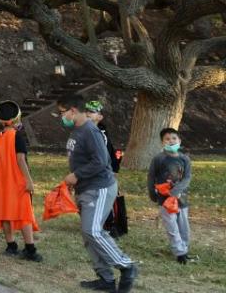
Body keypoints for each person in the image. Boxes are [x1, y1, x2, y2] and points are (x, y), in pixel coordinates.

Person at [56, 94, 137, 293]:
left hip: (99, 187)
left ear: (73, 110)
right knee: (88, 234)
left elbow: (101, 162)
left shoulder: (91, 131)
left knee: (92, 231)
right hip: (85, 188)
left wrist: (76, 175)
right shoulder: (78, 130)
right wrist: (75, 181)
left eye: (62, 112)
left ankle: (127, 266)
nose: (61, 117)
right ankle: (106, 279)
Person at [0, 101, 41, 262]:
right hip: (17, 181)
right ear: (16, 118)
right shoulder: (17, 136)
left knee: (5, 213)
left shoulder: (0, 137)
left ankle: (11, 245)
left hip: (2, 183)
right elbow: (20, 160)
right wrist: (29, 180)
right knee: (24, 214)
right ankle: (30, 249)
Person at [147, 127, 196, 264]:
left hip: (182, 199)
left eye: (174, 138)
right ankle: (180, 253)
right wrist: (152, 193)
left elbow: (187, 178)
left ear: (179, 141)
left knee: (183, 226)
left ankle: (184, 249)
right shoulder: (159, 159)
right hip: (165, 200)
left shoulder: (184, 159)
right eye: (167, 139)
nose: (171, 141)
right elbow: (151, 177)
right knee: (172, 227)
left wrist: (176, 191)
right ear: (162, 142)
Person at [85, 100, 125, 238]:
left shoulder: (101, 134)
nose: (88, 114)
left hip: (101, 172)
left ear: (100, 117)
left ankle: (110, 225)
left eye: (92, 112)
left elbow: (108, 154)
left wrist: (113, 170)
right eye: (86, 111)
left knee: (102, 198)